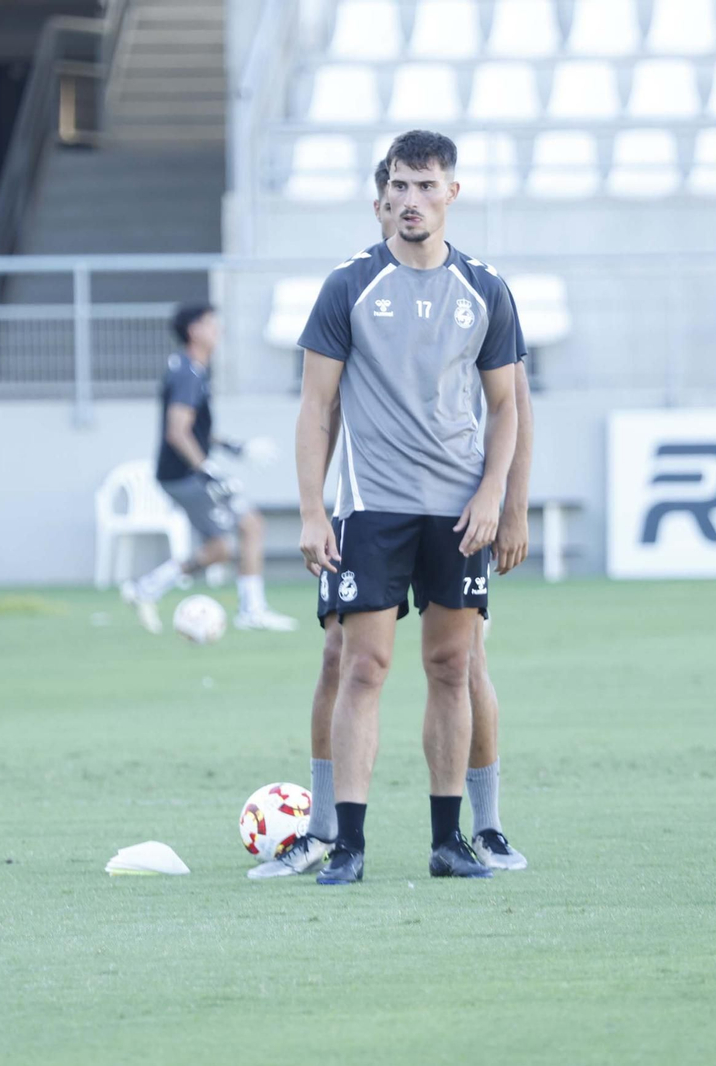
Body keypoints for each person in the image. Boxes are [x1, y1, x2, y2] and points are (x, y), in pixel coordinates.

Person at [251, 159, 534, 880]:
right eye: (399, 188)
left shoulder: (485, 289)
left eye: (426, 186)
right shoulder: (349, 285)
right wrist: (313, 512)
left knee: (453, 664)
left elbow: (509, 407)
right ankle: (343, 842)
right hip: (370, 507)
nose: (411, 200)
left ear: (452, 194)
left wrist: (500, 500)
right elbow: (317, 408)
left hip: (457, 511)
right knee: (359, 665)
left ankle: (457, 838)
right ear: (381, 198)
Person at [122, 304, 298, 633]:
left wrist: (236, 447)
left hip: (185, 473)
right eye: (210, 323)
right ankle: (251, 610)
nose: (218, 328)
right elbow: (177, 431)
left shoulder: (194, 370)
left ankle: (146, 588)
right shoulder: (188, 374)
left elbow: (196, 430)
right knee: (250, 525)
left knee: (222, 547)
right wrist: (208, 472)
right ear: (193, 331)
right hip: (185, 475)